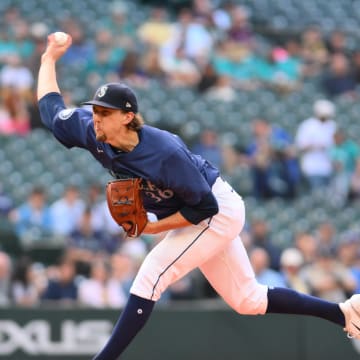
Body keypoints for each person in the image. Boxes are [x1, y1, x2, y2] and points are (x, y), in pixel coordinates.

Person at [37, 33, 360, 359]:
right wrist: (49, 58)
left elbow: (205, 207)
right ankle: (343, 312)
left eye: (105, 113)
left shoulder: (165, 151)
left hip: (216, 210)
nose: (96, 118)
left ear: (127, 117)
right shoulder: (91, 131)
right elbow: (51, 111)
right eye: (95, 111)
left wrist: (150, 229)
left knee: (152, 273)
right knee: (248, 300)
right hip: (197, 212)